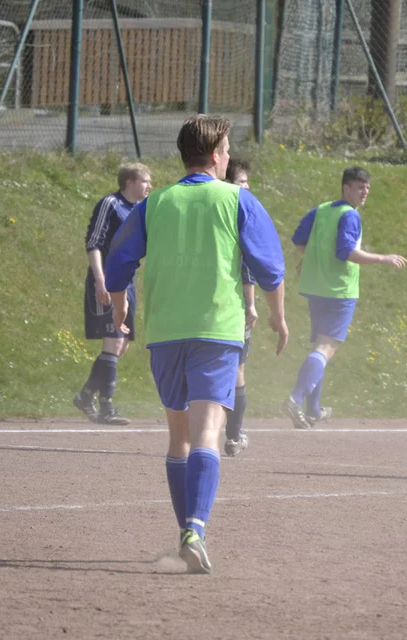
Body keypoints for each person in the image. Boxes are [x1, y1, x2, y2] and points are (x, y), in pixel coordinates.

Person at [104, 115, 288, 574]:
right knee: (209, 432)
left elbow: (118, 262)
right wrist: (278, 317)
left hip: (165, 332)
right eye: (226, 149)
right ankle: (195, 531)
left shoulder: (156, 202)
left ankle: (187, 531)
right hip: (216, 330)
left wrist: (120, 308)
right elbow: (270, 267)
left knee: (179, 437)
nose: (228, 157)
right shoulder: (236, 199)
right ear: (217, 156)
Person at [282, 167, 406, 429]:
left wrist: (312, 259)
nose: (365, 192)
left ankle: (313, 409)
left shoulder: (322, 209)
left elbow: (299, 240)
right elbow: (346, 252)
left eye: (367, 188)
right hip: (339, 291)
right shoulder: (350, 216)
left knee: (319, 346)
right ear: (346, 187)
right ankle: (295, 397)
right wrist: (383, 258)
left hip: (316, 287)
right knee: (326, 348)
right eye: (360, 187)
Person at [73, 163, 152, 425]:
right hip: (107, 280)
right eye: (145, 181)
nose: (149, 186)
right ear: (129, 182)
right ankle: (106, 406)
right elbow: (94, 242)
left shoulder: (141, 209)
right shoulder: (110, 204)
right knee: (114, 342)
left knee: (123, 346)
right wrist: (100, 280)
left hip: (127, 283)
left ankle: (85, 396)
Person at [224, 156, 255, 457]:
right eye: (242, 182)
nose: (248, 187)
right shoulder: (240, 214)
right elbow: (249, 265)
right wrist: (253, 304)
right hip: (232, 303)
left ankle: (200, 434)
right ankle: (233, 436)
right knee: (237, 368)